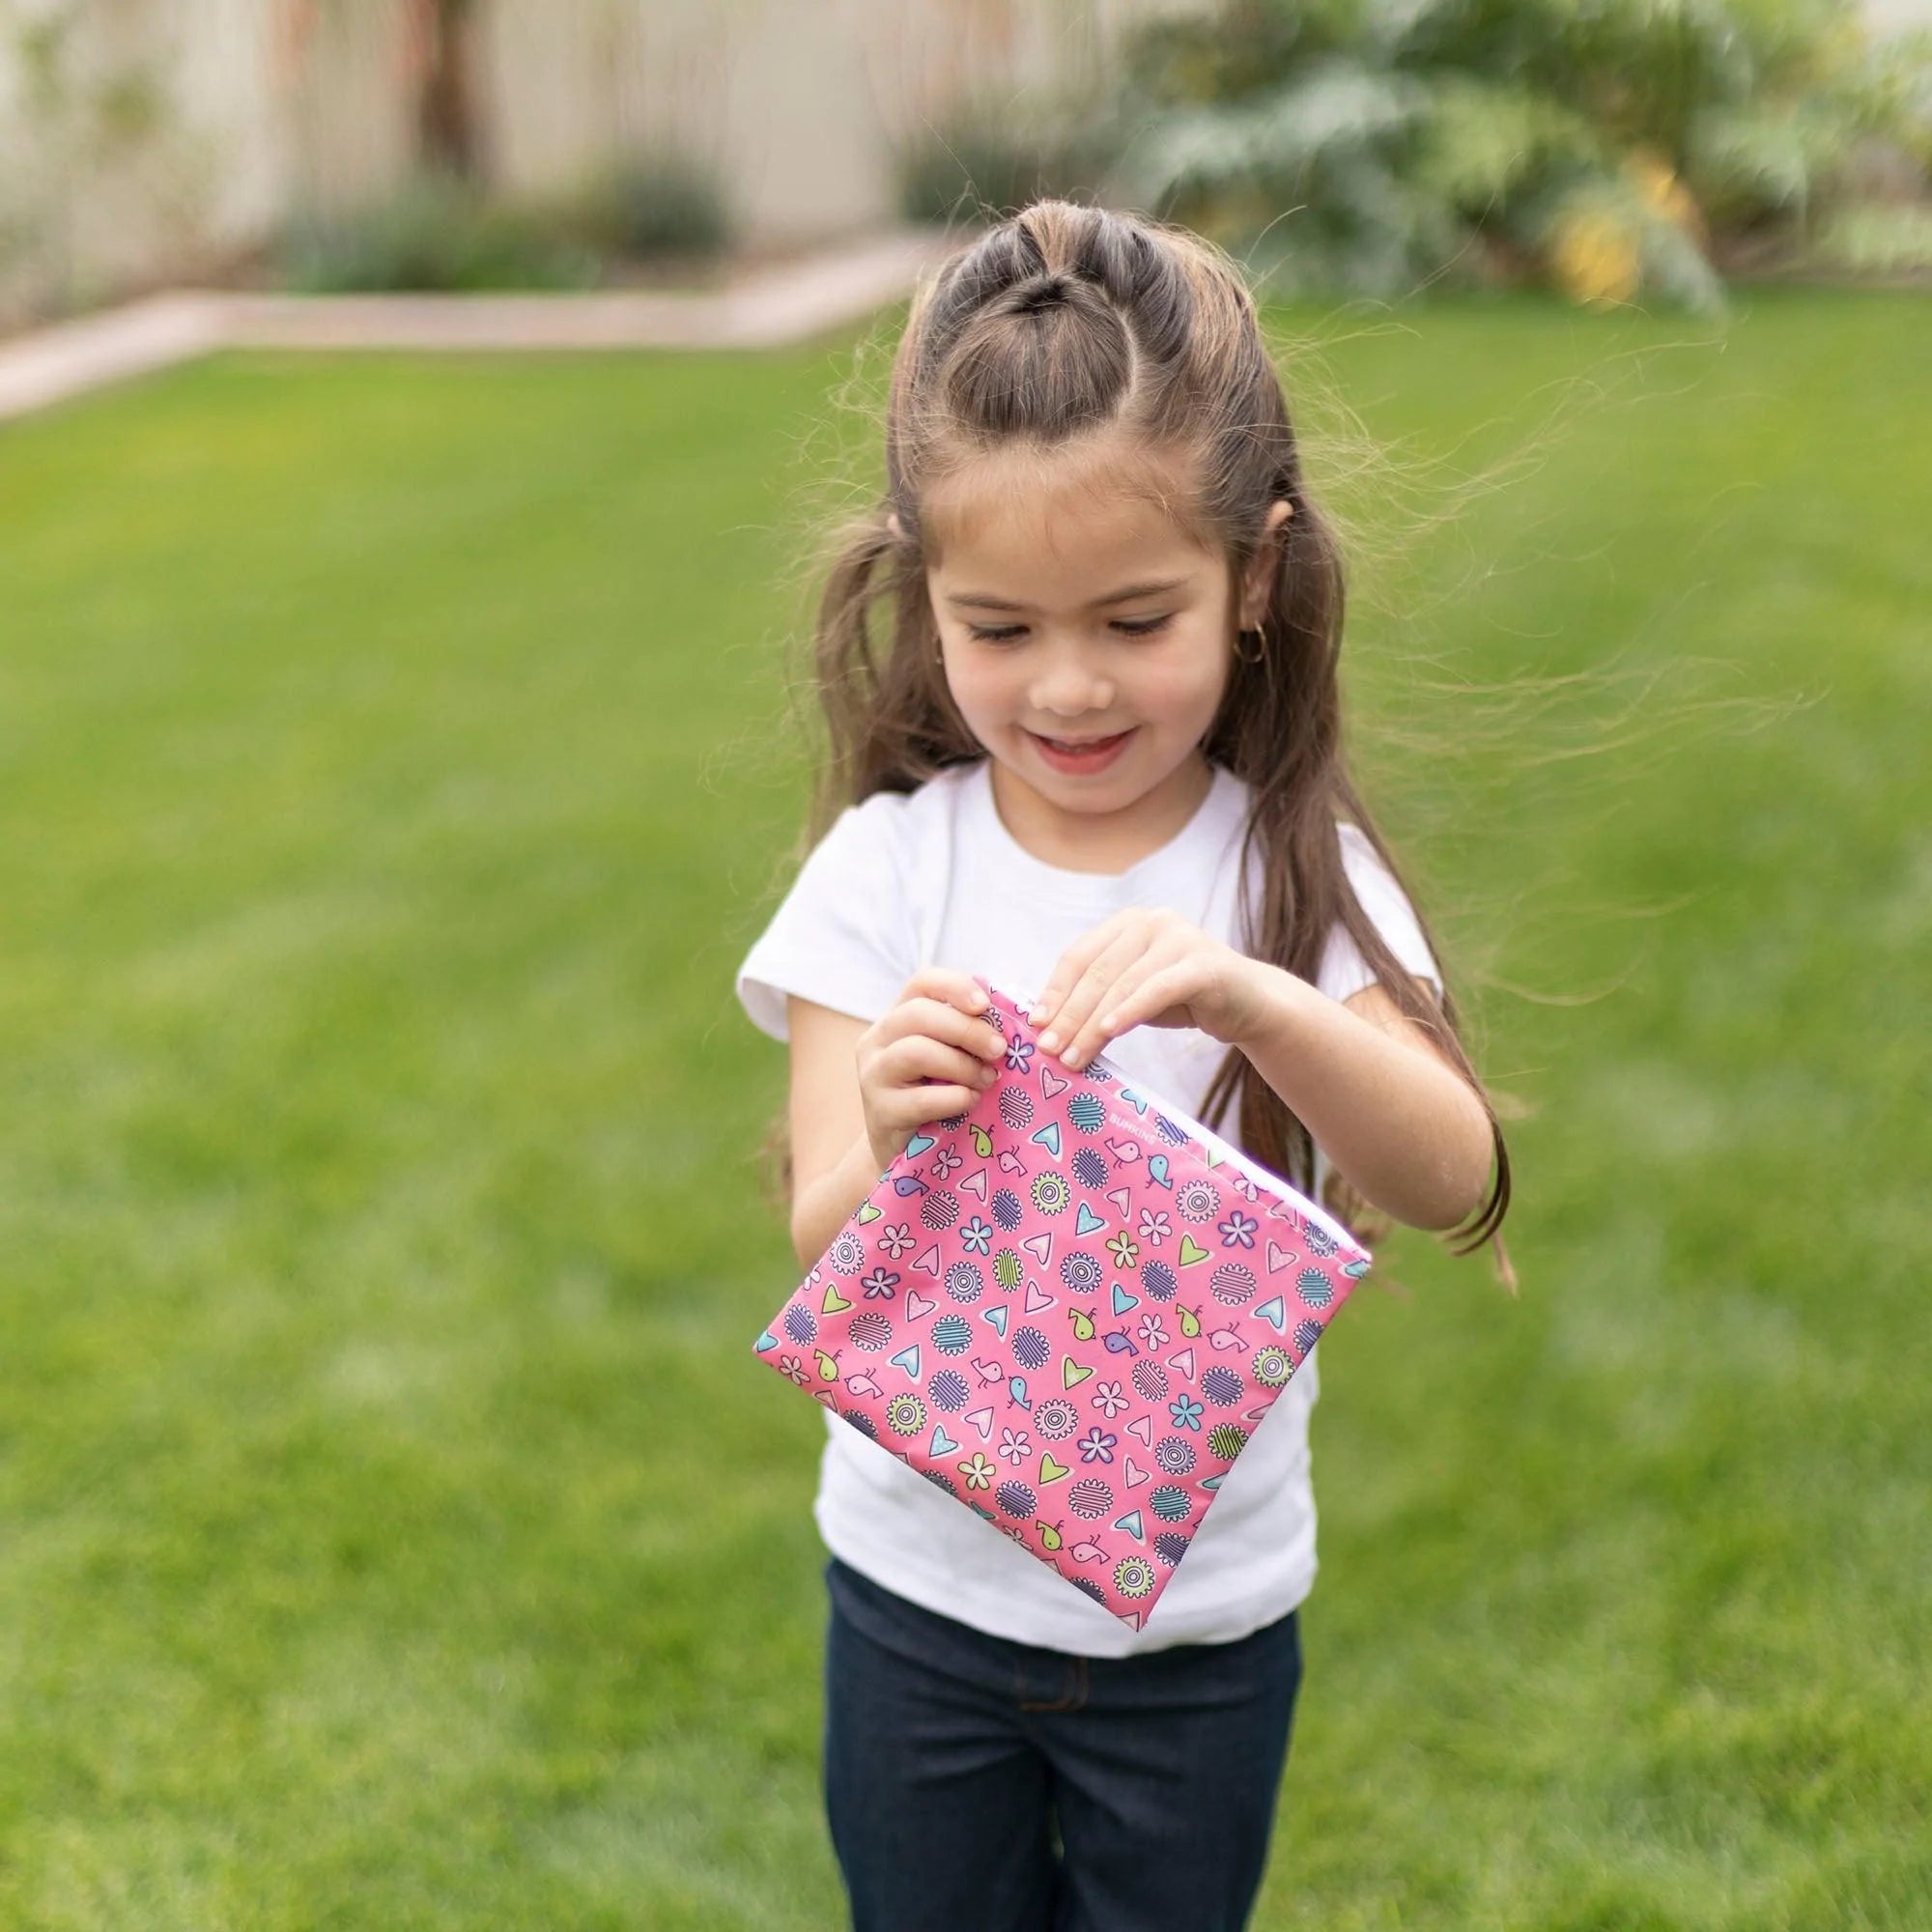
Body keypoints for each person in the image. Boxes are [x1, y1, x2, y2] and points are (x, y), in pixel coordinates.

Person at [732, 198, 1515, 1932]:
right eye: (999, 628)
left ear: (1255, 577)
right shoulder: (893, 867)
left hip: (1200, 1631)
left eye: (1133, 619)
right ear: (921, 592)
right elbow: (824, 1236)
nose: (1069, 688)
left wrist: (1256, 999)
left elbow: (1451, 1174)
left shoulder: (1288, 871)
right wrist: (882, 1120)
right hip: (917, 1600)